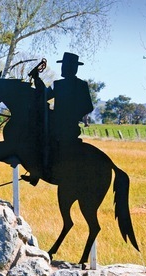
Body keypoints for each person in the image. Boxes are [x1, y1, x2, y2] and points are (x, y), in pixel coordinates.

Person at [24, 52, 93, 184]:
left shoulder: (66, 85)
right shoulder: (68, 84)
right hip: (67, 126)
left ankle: (36, 173)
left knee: (38, 139)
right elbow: (88, 107)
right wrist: (37, 80)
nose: (63, 69)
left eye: (65, 66)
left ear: (72, 68)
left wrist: (70, 116)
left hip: (61, 127)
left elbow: (44, 95)